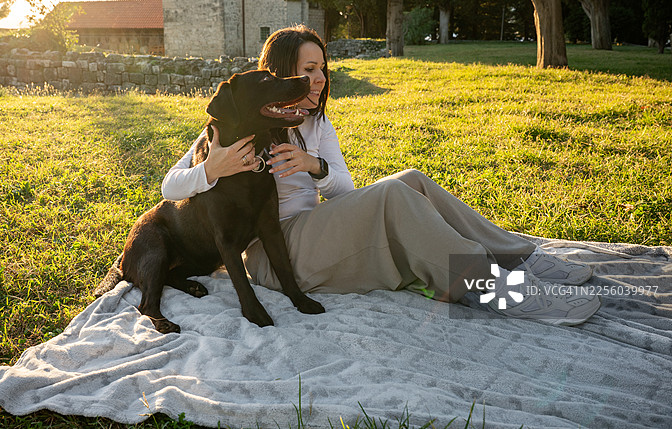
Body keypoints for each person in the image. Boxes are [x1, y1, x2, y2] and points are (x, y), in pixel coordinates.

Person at [161, 25, 601, 326]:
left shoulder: (316, 125)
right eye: (306, 70)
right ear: (280, 75)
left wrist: (315, 167)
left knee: (410, 179)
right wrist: (209, 169)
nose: (318, 79)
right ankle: (495, 288)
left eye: (321, 69)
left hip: (310, 230)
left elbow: (344, 191)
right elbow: (169, 187)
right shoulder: (235, 126)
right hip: (274, 257)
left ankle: (517, 256)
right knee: (391, 194)